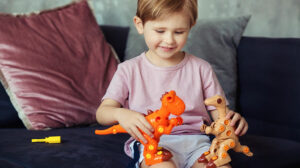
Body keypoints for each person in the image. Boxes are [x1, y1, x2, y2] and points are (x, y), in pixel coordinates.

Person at [96, 0, 248, 167]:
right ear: (140, 25)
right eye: (160, 31)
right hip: (153, 142)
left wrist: (232, 121)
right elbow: (102, 113)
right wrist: (120, 114)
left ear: (191, 26)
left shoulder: (202, 68)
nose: (169, 40)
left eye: (179, 32)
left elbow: (220, 115)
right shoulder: (128, 70)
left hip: (198, 143)